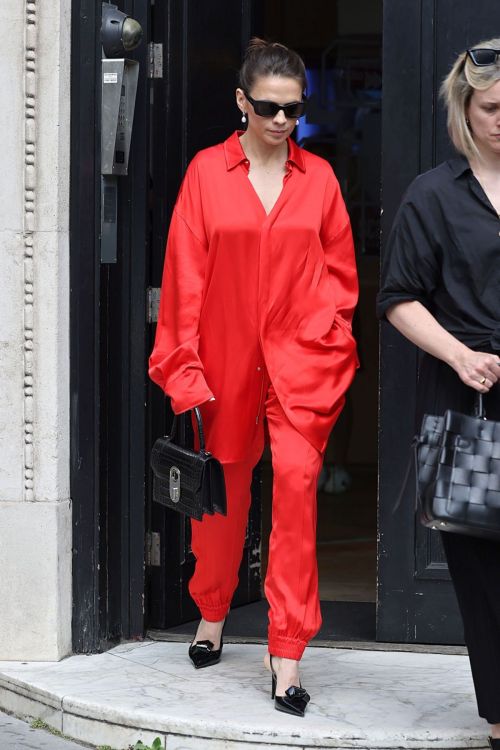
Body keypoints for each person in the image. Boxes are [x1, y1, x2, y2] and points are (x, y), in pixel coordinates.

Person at [149, 37, 358, 716]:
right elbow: (183, 279)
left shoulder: (319, 179)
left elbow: (340, 279)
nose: (280, 121)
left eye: (293, 110)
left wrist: (329, 342)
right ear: (241, 101)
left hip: (302, 366)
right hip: (223, 364)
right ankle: (212, 609)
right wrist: (184, 370)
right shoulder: (208, 173)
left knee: (295, 498)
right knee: (222, 503)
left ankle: (287, 651)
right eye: (267, 107)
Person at [377, 38, 500, 746]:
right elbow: (398, 299)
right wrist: (460, 354)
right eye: (491, 108)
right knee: (484, 572)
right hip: (472, 403)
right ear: (465, 109)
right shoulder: (432, 195)